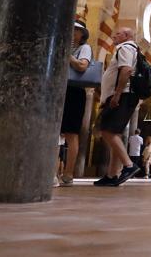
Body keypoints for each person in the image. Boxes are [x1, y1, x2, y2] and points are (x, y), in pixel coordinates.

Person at [95, 27, 140, 187]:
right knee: (114, 133)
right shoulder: (128, 48)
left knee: (106, 130)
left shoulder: (125, 47)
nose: (114, 35)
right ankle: (112, 174)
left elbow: (126, 70)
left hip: (122, 95)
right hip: (124, 95)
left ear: (127, 36)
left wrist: (116, 94)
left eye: (118, 33)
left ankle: (128, 165)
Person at [58, 21, 94, 187]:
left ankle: (68, 173)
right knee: (56, 133)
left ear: (81, 34)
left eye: (75, 30)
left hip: (74, 92)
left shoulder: (84, 48)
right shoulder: (69, 47)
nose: (71, 32)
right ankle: (52, 172)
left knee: (71, 134)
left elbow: (82, 66)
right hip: (60, 91)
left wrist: (66, 54)